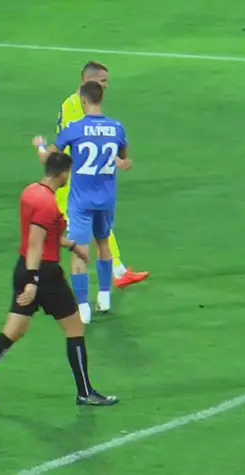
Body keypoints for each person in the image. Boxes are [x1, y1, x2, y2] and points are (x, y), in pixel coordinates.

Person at [0, 151, 118, 407]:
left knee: (13, 331)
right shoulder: (47, 203)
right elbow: (36, 243)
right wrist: (33, 282)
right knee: (75, 328)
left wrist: (70, 245)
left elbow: (42, 235)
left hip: (23, 267)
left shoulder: (30, 192)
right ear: (63, 174)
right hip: (44, 273)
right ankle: (85, 392)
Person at [56, 62, 148, 324]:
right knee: (89, 242)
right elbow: (77, 146)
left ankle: (100, 289)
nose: (106, 87)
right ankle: (106, 285)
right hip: (76, 183)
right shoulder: (79, 109)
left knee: (92, 241)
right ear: (88, 83)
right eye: (103, 82)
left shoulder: (79, 112)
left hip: (85, 185)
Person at [41, 80, 130, 315]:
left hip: (81, 201)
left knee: (80, 249)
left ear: (83, 100)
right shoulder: (117, 128)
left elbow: (49, 158)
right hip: (107, 199)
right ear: (102, 98)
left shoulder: (75, 129)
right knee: (103, 243)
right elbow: (124, 159)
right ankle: (104, 296)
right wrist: (122, 163)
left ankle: (82, 307)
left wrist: (40, 146)